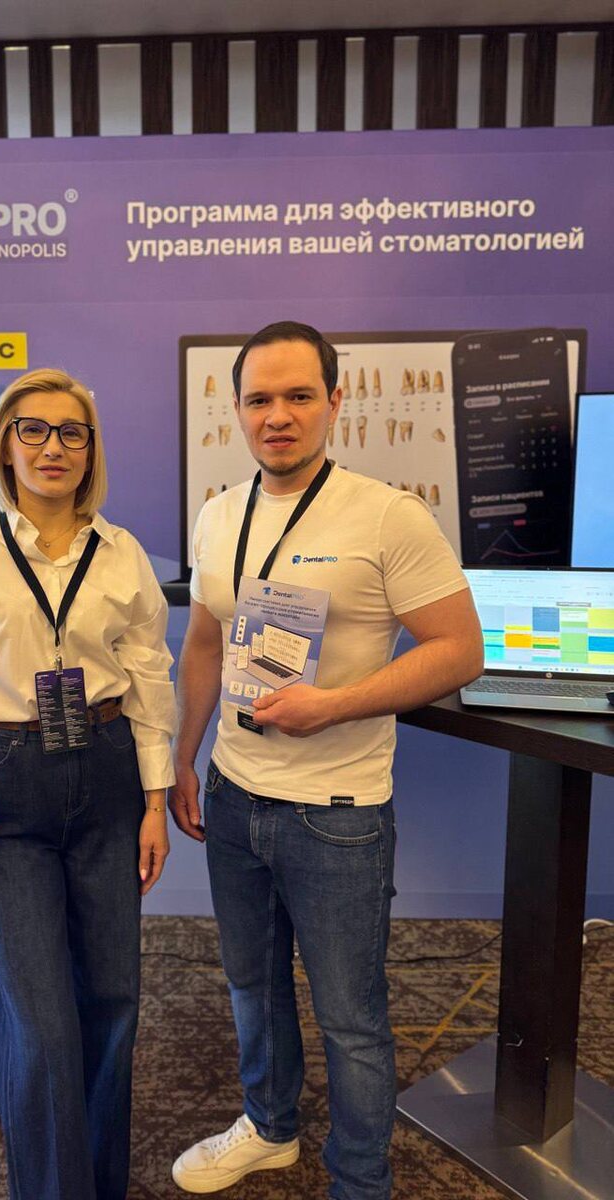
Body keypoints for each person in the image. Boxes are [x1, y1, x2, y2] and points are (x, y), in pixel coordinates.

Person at [168, 322, 483, 1198]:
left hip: (337, 815)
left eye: (299, 396)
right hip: (234, 795)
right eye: (260, 399)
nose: (278, 416)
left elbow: (460, 649)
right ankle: (270, 1128)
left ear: (335, 402)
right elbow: (204, 640)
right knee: (252, 987)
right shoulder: (219, 513)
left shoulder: (387, 514)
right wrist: (184, 757)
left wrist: (333, 705)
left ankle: (360, 1179)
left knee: (351, 1018)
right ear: (237, 410)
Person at [0, 367, 176, 1200]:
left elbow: (150, 681)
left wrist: (155, 803)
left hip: (109, 776)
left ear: (91, 450)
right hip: (3, 788)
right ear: (5, 447)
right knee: (42, 1019)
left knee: (113, 998)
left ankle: (100, 1183)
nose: (53, 447)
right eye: (34, 430)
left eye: (71, 432)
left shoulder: (122, 555)